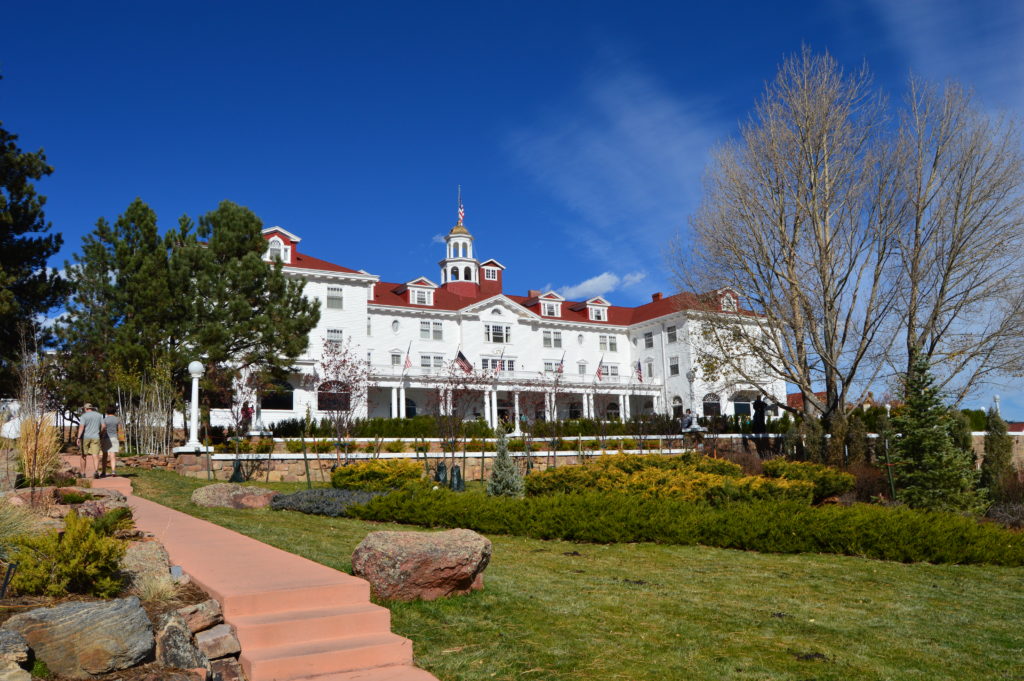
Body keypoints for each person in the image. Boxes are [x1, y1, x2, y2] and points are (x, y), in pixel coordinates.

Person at [76, 403, 104, 478]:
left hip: (86, 437)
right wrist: (100, 433)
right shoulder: (99, 415)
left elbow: (81, 427)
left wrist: (78, 437)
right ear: (92, 408)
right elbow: (103, 426)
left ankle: (83, 473)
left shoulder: (84, 416)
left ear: (85, 409)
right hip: (96, 437)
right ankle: (96, 472)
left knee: (83, 455)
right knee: (95, 455)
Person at [100, 406, 122, 477]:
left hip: (106, 438)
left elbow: (103, 428)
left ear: (107, 412)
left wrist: (100, 435)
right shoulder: (117, 419)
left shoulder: (104, 419)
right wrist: (121, 439)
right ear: (114, 412)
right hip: (114, 438)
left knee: (104, 455)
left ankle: (103, 471)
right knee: (113, 455)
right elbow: (120, 429)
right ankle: (113, 471)